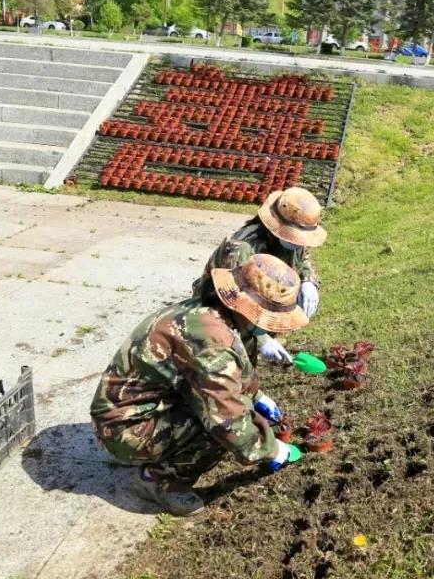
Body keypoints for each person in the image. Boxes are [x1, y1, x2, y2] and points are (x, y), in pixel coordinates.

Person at [91, 254, 309, 516]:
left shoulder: (209, 312)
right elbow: (228, 422)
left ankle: (161, 458)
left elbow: (230, 371)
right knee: (218, 429)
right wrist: (273, 450)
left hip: (135, 407)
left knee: (233, 409)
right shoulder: (212, 341)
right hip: (122, 428)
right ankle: (158, 480)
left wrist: (257, 396)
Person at [192, 186, 327, 364]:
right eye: (295, 236)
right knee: (230, 363)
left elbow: (302, 259)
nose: (299, 243)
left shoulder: (290, 242)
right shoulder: (242, 249)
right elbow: (233, 301)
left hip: (254, 309)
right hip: (220, 312)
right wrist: (261, 337)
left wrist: (308, 281)